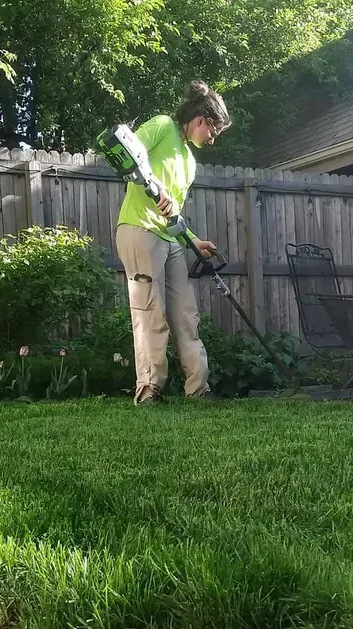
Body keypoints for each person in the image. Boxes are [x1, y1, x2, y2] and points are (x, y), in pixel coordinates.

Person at [115, 81, 230, 404]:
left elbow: (173, 211)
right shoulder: (163, 127)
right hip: (139, 229)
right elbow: (128, 152)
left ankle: (198, 389)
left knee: (185, 315)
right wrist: (154, 185)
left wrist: (194, 240)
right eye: (212, 132)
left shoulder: (189, 162)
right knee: (151, 312)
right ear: (201, 120)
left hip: (171, 239)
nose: (211, 140)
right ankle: (150, 389)